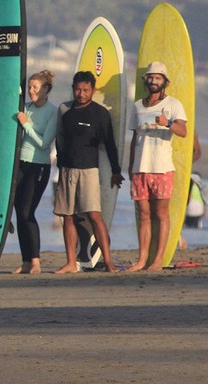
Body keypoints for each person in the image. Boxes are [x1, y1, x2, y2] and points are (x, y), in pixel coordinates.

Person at [53, 71, 123, 274]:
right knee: (68, 216)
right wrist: (60, 165)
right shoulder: (65, 109)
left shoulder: (100, 113)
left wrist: (116, 171)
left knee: (94, 215)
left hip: (89, 170)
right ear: (73, 88)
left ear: (93, 90)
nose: (81, 94)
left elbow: (109, 144)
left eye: (85, 90)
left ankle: (108, 261)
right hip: (67, 170)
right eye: (77, 89)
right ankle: (70, 262)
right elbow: (60, 139)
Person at [127, 62, 187, 272]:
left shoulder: (173, 104)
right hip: (139, 167)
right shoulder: (137, 106)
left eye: (158, 78)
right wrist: (130, 166)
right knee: (143, 214)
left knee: (161, 214)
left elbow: (183, 131)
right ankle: (142, 260)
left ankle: (158, 260)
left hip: (162, 167)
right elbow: (135, 138)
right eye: (150, 77)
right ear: (146, 80)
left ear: (165, 81)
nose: (153, 81)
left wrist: (167, 123)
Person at [12, 70, 59, 274]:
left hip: (38, 166)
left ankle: (36, 261)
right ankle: (25, 262)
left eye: (35, 87)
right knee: (18, 212)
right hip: (20, 164)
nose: (31, 91)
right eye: (29, 87)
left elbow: (43, 143)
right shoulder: (25, 108)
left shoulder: (53, 112)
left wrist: (26, 124)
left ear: (46, 89)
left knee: (27, 211)